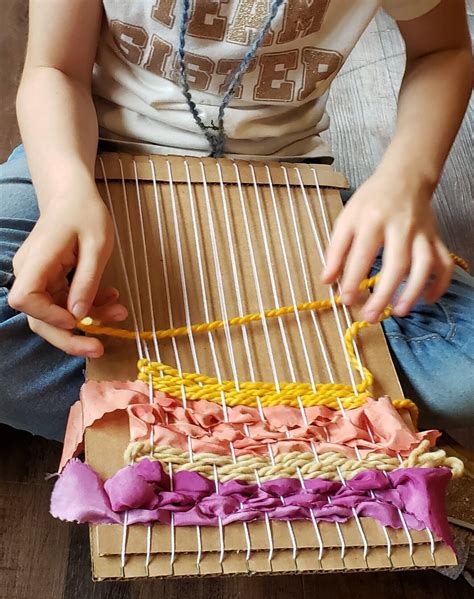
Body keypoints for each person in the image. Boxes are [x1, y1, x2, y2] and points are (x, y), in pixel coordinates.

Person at [0, 0, 472, 442]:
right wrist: (66, 194)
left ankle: (194, 416)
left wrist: (408, 178)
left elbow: (442, 49)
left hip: (285, 178)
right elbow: (55, 69)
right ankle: (295, 417)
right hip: (91, 154)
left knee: (465, 385)